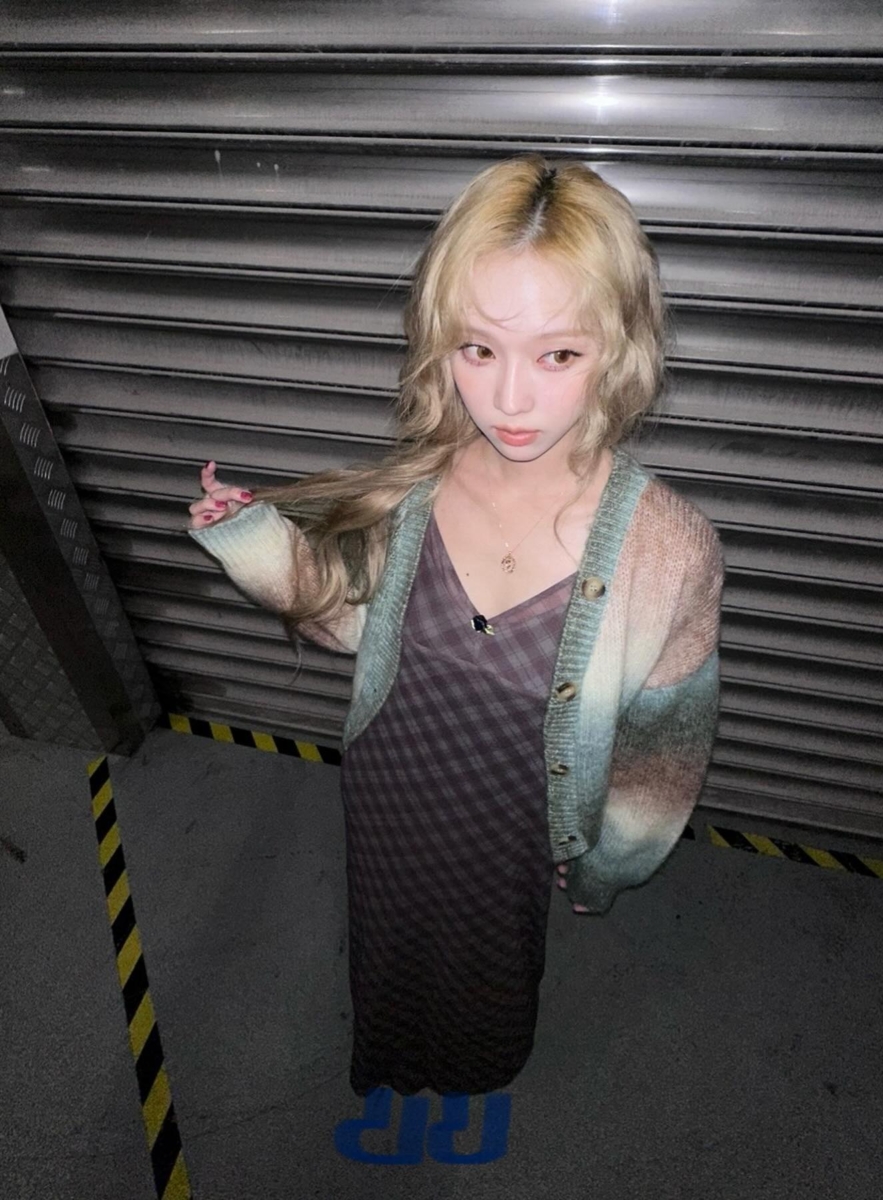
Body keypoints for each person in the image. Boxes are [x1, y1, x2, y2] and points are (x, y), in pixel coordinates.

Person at [185, 155, 724, 1098]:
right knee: (387, 941)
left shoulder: (669, 550)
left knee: (489, 969)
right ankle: (390, 1059)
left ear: (620, 347)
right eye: (478, 349)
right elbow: (353, 625)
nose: (509, 401)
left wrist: (604, 866)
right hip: (389, 793)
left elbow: (662, 750)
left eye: (558, 355)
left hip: (511, 833)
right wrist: (256, 542)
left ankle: (476, 1071)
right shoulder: (418, 487)